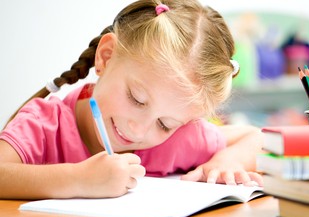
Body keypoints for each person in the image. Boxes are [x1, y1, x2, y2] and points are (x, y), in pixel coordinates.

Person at [0, 0, 263, 200]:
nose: (138, 130)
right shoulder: (43, 126)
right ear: (106, 56)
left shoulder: (177, 140)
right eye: (137, 99)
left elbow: (256, 137)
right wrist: (78, 180)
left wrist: (227, 162)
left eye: (165, 124)